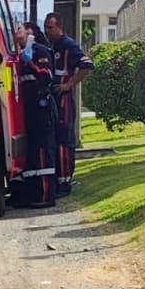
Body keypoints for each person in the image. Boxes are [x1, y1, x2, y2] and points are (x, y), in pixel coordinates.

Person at [44, 12, 94, 196]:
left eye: (50, 27)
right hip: (53, 99)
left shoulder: (68, 45)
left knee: (65, 140)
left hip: (64, 100)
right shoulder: (52, 46)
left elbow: (87, 65)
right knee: (56, 140)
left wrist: (69, 84)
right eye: (46, 27)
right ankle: (57, 180)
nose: (47, 31)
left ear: (59, 28)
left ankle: (65, 182)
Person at [9, 22, 58, 208]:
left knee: (44, 152)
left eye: (19, 29)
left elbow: (46, 76)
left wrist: (29, 62)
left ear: (28, 32)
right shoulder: (15, 54)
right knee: (30, 154)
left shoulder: (39, 51)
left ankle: (46, 195)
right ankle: (30, 194)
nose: (16, 32)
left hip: (41, 107)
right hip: (27, 111)